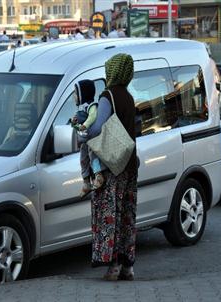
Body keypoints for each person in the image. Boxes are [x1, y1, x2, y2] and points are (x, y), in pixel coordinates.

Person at [87, 53, 137, 281]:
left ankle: (114, 266)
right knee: (126, 215)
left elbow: (97, 129)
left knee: (110, 215)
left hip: (110, 165)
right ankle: (128, 266)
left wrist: (83, 133)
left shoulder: (108, 96)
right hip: (129, 164)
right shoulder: (128, 96)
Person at [70, 80, 105, 198]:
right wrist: (74, 122)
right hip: (84, 141)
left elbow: (92, 116)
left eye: (75, 93)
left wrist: (85, 125)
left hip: (91, 140)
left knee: (92, 156)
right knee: (83, 159)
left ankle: (98, 175)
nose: (74, 96)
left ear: (83, 93)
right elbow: (79, 124)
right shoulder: (81, 108)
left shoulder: (91, 106)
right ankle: (86, 182)